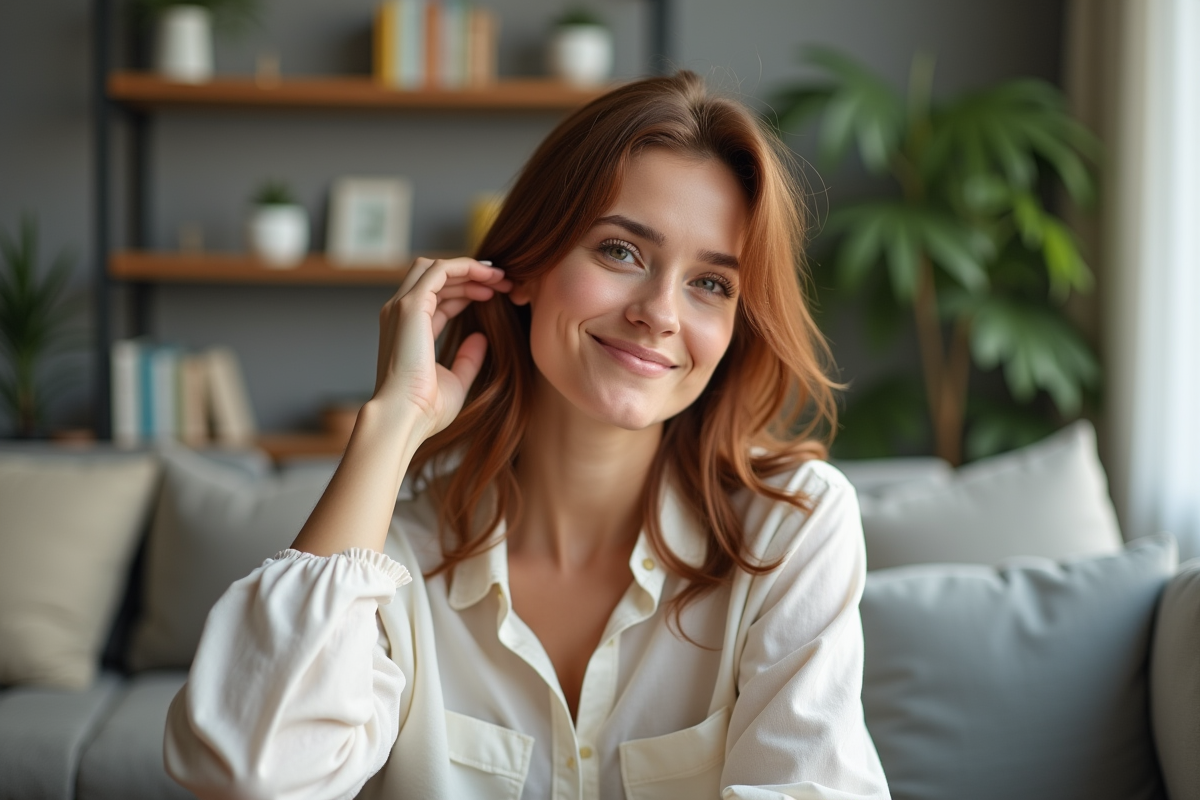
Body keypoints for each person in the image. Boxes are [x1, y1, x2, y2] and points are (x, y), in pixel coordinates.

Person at [164, 71, 890, 800]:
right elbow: (249, 776)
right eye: (621, 252)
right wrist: (389, 425)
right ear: (528, 267)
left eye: (711, 284)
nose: (661, 313)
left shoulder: (789, 527)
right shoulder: (390, 557)